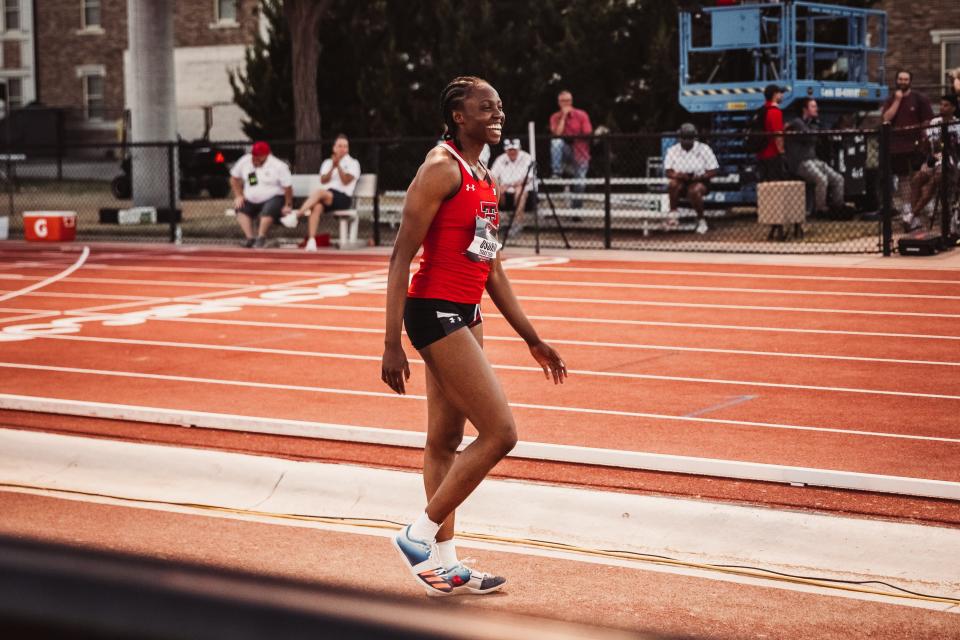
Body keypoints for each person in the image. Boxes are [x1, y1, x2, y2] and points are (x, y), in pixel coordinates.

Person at [381, 76, 567, 597]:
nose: (497, 114)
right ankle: (418, 536)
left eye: (500, 107)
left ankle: (446, 561)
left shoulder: (484, 175)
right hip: (433, 310)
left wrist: (531, 337)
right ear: (458, 116)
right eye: (485, 108)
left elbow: (493, 267)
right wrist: (392, 342)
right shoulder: (440, 169)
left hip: (468, 310)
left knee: (444, 440)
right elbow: (400, 256)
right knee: (501, 432)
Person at [882, 70, 934, 230]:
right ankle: (907, 208)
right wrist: (897, 101)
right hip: (897, 147)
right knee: (904, 179)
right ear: (896, 80)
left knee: (920, 176)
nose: (903, 81)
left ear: (910, 81)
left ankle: (925, 207)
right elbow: (886, 118)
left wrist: (926, 140)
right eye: (900, 79)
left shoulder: (919, 99)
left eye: (906, 79)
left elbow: (928, 120)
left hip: (917, 146)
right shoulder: (891, 99)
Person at [296, 134, 361, 251]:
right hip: (328, 196)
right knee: (316, 206)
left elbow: (346, 181)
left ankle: (297, 215)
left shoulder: (353, 163)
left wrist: (339, 167)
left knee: (320, 192)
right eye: (340, 146)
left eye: (345, 146)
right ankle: (311, 240)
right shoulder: (327, 162)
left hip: (343, 197)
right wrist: (333, 167)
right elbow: (323, 179)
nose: (343, 149)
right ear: (334, 148)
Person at [785, 98, 845, 216]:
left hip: (814, 160)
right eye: (813, 106)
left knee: (838, 178)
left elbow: (817, 137)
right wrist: (814, 130)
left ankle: (838, 207)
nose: (816, 109)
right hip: (801, 162)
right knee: (821, 179)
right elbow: (811, 137)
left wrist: (815, 128)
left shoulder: (813, 123)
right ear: (805, 110)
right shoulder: (798, 122)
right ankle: (821, 209)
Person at [229, 141, 293, 248]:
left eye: (259, 156)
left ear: (266, 155)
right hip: (251, 198)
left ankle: (261, 237)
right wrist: (238, 195)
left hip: (273, 197)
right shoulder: (245, 161)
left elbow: (288, 187)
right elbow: (234, 178)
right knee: (240, 208)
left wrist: (288, 205)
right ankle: (250, 238)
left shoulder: (278, 166)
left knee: (268, 210)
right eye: (254, 155)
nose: (255, 158)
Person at [910, 94, 960, 222]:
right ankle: (914, 217)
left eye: (946, 105)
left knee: (936, 179)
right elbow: (931, 147)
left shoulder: (957, 125)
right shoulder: (934, 123)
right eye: (941, 105)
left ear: (953, 108)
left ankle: (912, 215)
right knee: (917, 178)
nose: (942, 108)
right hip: (935, 158)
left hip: (952, 161)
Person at [663, 123, 719, 234]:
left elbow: (713, 171)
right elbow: (668, 172)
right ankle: (673, 215)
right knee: (673, 184)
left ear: (694, 138)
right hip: (681, 179)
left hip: (700, 180)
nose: (686, 142)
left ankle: (701, 220)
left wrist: (702, 176)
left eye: (689, 139)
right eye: (684, 139)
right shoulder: (673, 150)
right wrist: (678, 175)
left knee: (694, 190)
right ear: (679, 138)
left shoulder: (704, 149)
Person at [549, 90, 592, 208]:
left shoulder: (582, 115)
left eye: (568, 101)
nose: (565, 103)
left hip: (580, 153)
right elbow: (557, 134)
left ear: (571, 101)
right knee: (556, 142)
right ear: (559, 103)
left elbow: (587, 133)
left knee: (580, 183)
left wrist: (572, 137)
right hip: (564, 153)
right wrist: (563, 117)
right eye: (563, 101)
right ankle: (556, 171)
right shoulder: (555, 117)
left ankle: (576, 210)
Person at [489, 138, 534, 239]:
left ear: (519, 149)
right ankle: (491, 223)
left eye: (514, 150)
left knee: (520, 191)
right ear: (506, 150)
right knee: (493, 190)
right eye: (510, 150)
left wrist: (509, 185)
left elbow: (528, 178)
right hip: (505, 194)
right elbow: (492, 177)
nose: (512, 152)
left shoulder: (527, 157)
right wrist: (499, 187)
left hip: (525, 194)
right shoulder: (500, 159)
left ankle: (517, 224)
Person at [756, 84, 787, 181]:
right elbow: (778, 135)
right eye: (780, 93)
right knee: (774, 184)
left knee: (764, 186)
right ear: (775, 95)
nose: (782, 95)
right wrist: (782, 153)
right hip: (772, 155)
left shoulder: (763, 110)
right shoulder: (775, 111)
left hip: (761, 153)